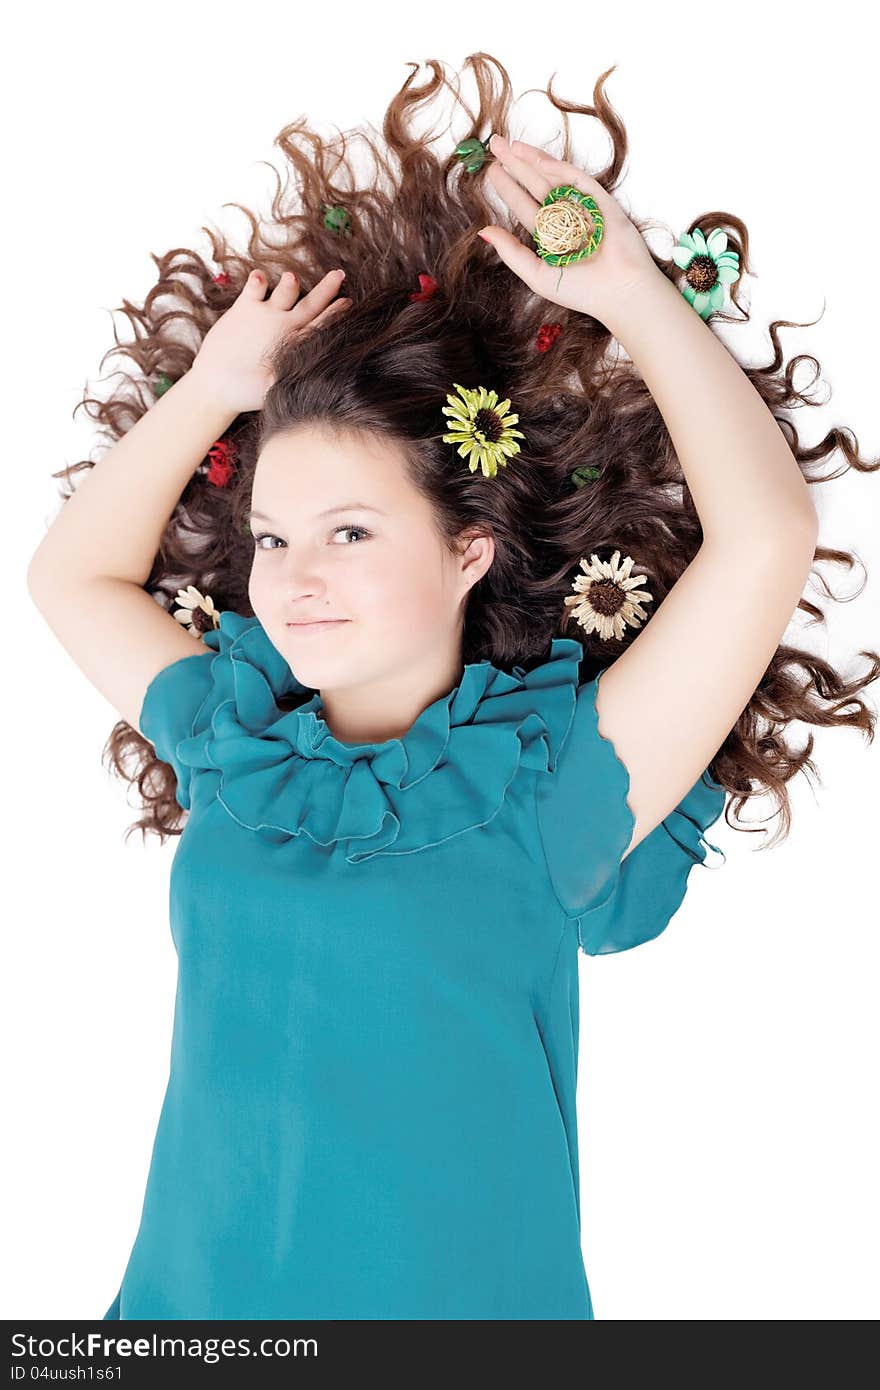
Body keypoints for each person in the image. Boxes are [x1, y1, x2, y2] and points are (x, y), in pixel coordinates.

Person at [26, 55, 878, 1320]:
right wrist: (215, 384)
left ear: (468, 548)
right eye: (273, 537)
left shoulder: (552, 789)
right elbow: (70, 576)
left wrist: (632, 296)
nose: (295, 577)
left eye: (352, 533)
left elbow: (765, 537)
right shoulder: (232, 738)